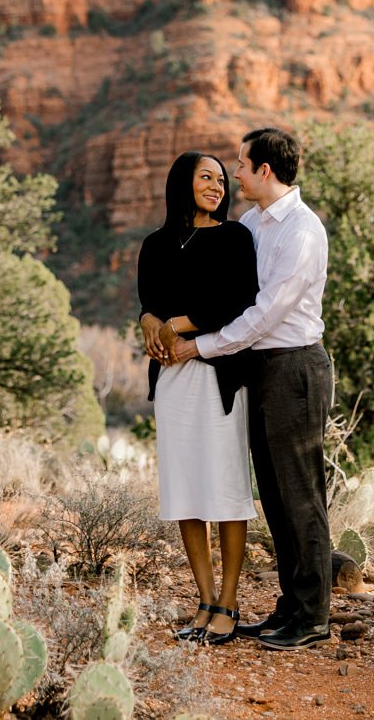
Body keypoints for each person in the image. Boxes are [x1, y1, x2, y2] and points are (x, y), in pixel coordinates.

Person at [167, 126, 333, 651]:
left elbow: (263, 315)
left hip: (293, 367)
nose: (233, 173)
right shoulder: (253, 225)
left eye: (240, 164)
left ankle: (312, 616)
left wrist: (199, 346)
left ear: (265, 170)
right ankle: (290, 606)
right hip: (258, 369)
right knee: (276, 495)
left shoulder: (302, 232)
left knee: (301, 495)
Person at [138, 151, 259, 645]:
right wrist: (148, 320)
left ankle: (230, 603)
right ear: (182, 183)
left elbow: (239, 302)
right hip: (171, 381)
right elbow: (149, 301)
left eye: (222, 179)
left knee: (226, 490)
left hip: (217, 376)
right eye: (205, 177)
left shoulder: (234, 237)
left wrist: (176, 323)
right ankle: (205, 600)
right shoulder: (156, 243)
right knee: (186, 490)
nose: (217, 186)